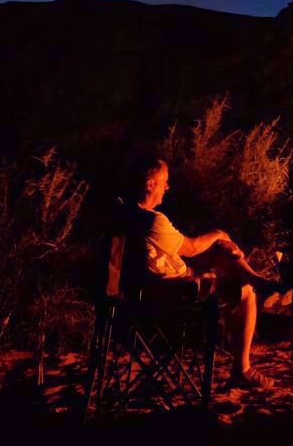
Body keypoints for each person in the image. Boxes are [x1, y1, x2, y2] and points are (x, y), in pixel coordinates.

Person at [117, 157, 280, 389]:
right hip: (176, 295)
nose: (168, 187)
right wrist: (218, 233)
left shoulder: (125, 214)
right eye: (164, 181)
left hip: (143, 295)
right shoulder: (153, 221)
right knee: (245, 292)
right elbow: (191, 247)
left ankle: (259, 281)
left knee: (222, 252)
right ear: (150, 184)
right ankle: (242, 368)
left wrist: (219, 245)